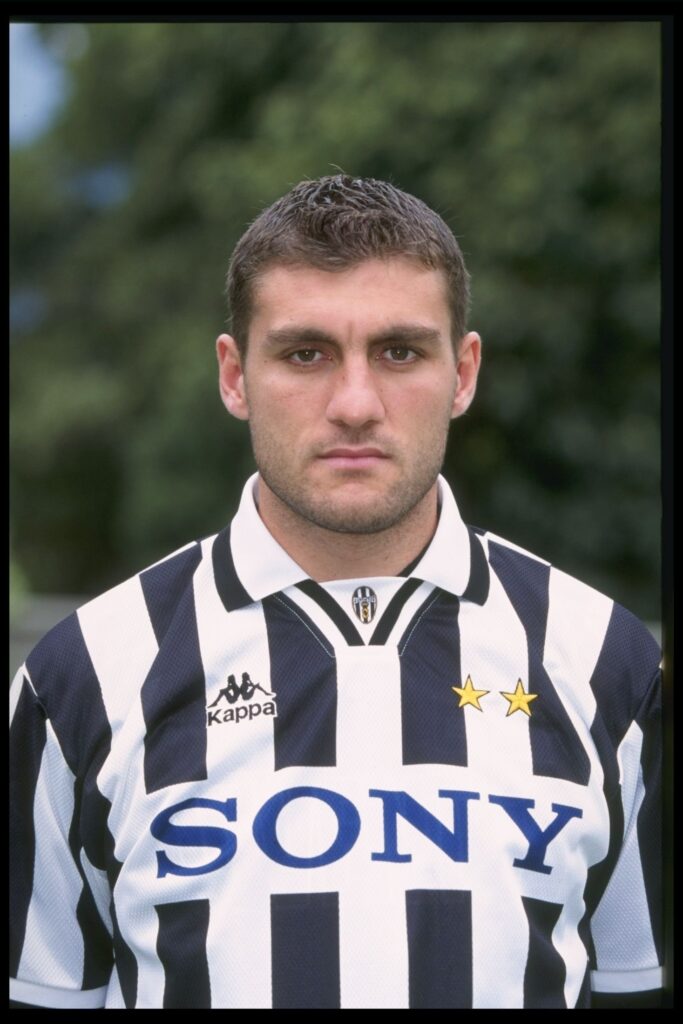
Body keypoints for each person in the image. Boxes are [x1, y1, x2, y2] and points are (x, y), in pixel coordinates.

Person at [9, 174, 662, 1010]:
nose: (355, 405)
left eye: (399, 351)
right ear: (234, 374)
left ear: (461, 373)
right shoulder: (83, 677)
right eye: (304, 353)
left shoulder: (604, 658)